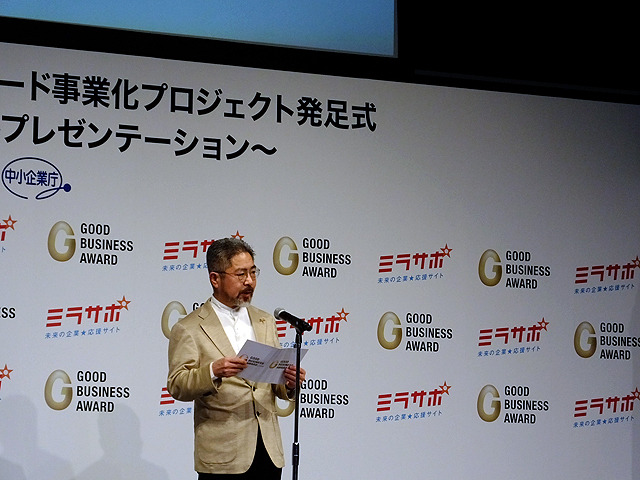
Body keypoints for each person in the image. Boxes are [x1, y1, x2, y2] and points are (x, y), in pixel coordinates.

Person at [167, 238, 306, 479]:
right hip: (223, 456)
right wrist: (213, 371)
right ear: (215, 279)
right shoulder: (189, 328)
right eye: (241, 274)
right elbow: (177, 384)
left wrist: (289, 383)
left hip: (268, 452)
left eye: (253, 272)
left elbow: (275, 385)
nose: (249, 281)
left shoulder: (265, 321)